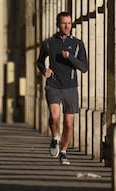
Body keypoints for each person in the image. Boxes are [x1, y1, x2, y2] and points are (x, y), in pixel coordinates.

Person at [36, 11, 88, 165]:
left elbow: (84, 68)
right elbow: (40, 61)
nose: (67, 26)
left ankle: (64, 152)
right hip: (53, 85)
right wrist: (43, 70)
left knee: (69, 123)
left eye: (69, 23)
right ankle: (54, 138)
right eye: (64, 23)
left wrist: (70, 57)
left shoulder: (78, 44)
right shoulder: (49, 43)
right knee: (54, 116)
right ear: (57, 24)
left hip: (71, 87)